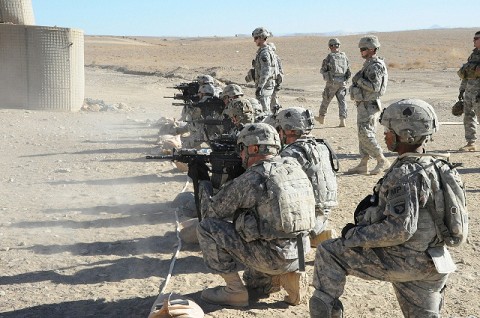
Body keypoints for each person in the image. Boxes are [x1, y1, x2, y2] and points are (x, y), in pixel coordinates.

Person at [309, 99, 458, 318]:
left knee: (329, 251)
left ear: (405, 134)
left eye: (389, 130)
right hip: (434, 263)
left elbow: (399, 230)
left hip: (405, 260)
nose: (385, 135)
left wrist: (354, 234)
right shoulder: (438, 165)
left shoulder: (405, 174)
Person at [195, 123, 316, 307]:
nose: (240, 155)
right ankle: (289, 276)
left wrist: (202, 181)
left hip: (273, 257)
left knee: (206, 228)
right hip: (299, 252)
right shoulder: (293, 167)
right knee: (254, 284)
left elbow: (211, 213)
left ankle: (234, 291)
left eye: (242, 149)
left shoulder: (253, 178)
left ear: (253, 148)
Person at [275, 107, 338, 247]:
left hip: (306, 217)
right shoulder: (322, 145)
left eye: (280, 128)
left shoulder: (292, 153)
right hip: (324, 213)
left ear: (290, 130)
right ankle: (318, 235)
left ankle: (307, 238)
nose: (278, 133)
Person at [347, 35, 389, 175]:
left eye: (363, 49)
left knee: (366, 133)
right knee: (361, 134)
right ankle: (363, 163)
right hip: (364, 105)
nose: (361, 51)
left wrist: (358, 82)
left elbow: (375, 87)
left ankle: (381, 159)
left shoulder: (376, 66)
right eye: (360, 49)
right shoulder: (370, 64)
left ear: (372, 49)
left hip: (369, 105)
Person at [316, 38, 351, 127]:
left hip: (332, 82)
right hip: (342, 82)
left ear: (330, 46)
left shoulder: (329, 57)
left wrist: (326, 74)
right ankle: (342, 120)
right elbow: (348, 71)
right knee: (342, 101)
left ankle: (321, 117)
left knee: (326, 99)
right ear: (338, 46)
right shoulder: (344, 56)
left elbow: (323, 69)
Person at [248, 27, 281, 115]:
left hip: (265, 85)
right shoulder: (268, 51)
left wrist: (260, 87)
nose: (254, 41)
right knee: (273, 110)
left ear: (262, 38)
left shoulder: (264, 53)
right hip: (270, 84)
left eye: (256, 38)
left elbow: (266, 71)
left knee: (264, 111)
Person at [457, 30, 480, 151]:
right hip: (469, 91)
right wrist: (462, 90)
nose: (474, 40)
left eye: (476, 38)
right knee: (468, 117)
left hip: (479, 94)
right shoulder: (473, 55)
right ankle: (471, 143)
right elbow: (466, 74)